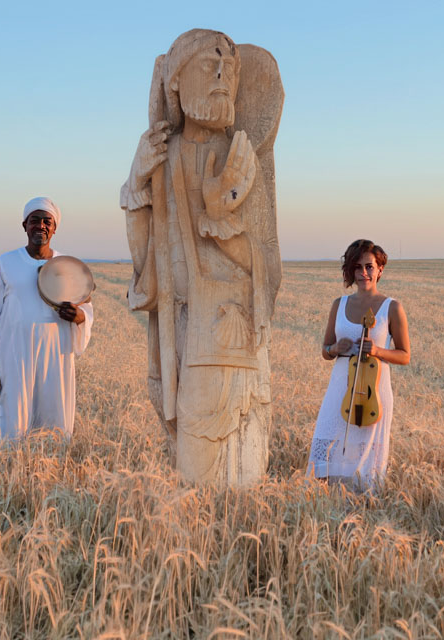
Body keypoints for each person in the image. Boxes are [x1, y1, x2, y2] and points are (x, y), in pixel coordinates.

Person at [119, 29, 283, 486]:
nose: (222, 75)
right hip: (185, 329)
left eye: (230, 68)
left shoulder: (241, 157)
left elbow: (265, 267)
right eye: (208, 64)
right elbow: (144, 256)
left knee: (242, 472)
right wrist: (137, 183)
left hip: (237, 339)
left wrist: (221, 209)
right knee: (192, 473)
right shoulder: (163, 156)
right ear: (175, 82)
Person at [0, 197, 93, 444]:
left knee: (53, 425)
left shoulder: (67, 265)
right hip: (12, 358)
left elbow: (85, 309)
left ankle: (49, 476)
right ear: (24, 225)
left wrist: (78, 317)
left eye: (47, 221)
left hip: (55, 357)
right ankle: (9, 477)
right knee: (11, 426)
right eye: (34, 221)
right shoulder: (7, 262)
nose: (41, 226)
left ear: (55, 228)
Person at [307, 240, 411, 491]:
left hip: (373, 393)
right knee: (327, 447)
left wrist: (377, 351)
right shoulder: (338, 304)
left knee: (365, 462)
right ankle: (324, 501)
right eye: (357, 267)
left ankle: (363, 505)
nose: (363, 273)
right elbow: (325, 351)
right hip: (339, 389)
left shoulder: (392, 307)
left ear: (380, 269)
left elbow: (405, 355)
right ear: (350, 271)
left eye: (369, 266)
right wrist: (335, 349)